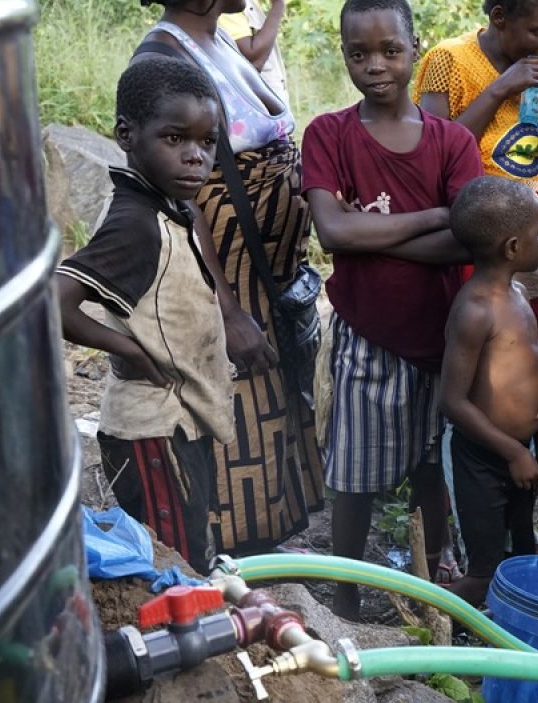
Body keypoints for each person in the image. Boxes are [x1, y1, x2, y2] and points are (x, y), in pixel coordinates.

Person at [299, 0, 484, 618]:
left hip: (445, 337)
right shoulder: (329, 133)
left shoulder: (452, 141)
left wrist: (374, 231)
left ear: (414, 47)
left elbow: (470, 237)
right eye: (358, 53)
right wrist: (436, 215)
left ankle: (431, 593)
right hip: (367, 335)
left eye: (390, 50)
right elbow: (333, 234)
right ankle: (345, 596)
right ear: (344, 54)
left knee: (435, 470)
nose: (374, 65)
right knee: (353, 475)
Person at [57, 57, 273, 571]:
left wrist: (228, 313)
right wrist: (128, 347)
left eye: (206, 142)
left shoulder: (168, 204)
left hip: (179, 422)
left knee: (188, 540)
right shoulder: (135, 224)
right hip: (149, 432)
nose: (195, 157)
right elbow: (55, 300)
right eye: (175, 140)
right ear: (127, 135)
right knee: (171, 562)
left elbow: (194, 228)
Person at [134, 0, 324, 558]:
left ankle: (264, 550)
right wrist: (229, 311)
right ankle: (232, 557)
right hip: (231, 283)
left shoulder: (216, 41)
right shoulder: (163, 56)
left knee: (270, 406)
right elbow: (179, 197)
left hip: (263, 278)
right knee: (240, 406)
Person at [414, 0, 538, 366]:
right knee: (476, 349)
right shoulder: (449, 60)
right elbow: (435, 155)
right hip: (470, 236)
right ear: (499, 17)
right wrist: (499, 89)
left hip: (531, 241)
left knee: (531, 345)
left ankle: (530, 418)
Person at [439, 177, 538, 606]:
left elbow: (535, 375)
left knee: (519, 555)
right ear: (511, 248)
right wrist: (513, 452)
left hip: (518, 449)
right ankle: (440, 621)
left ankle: (504, 631)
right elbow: (452, 401)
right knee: (485, 569)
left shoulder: (519, 294)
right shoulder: (475, 310)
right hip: (480, 458)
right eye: (537, 234)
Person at [219, 0, 288, 104]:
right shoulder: (232, 4)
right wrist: (278, 5)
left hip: (271, 100)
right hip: (260, 106)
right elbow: (253, 60)